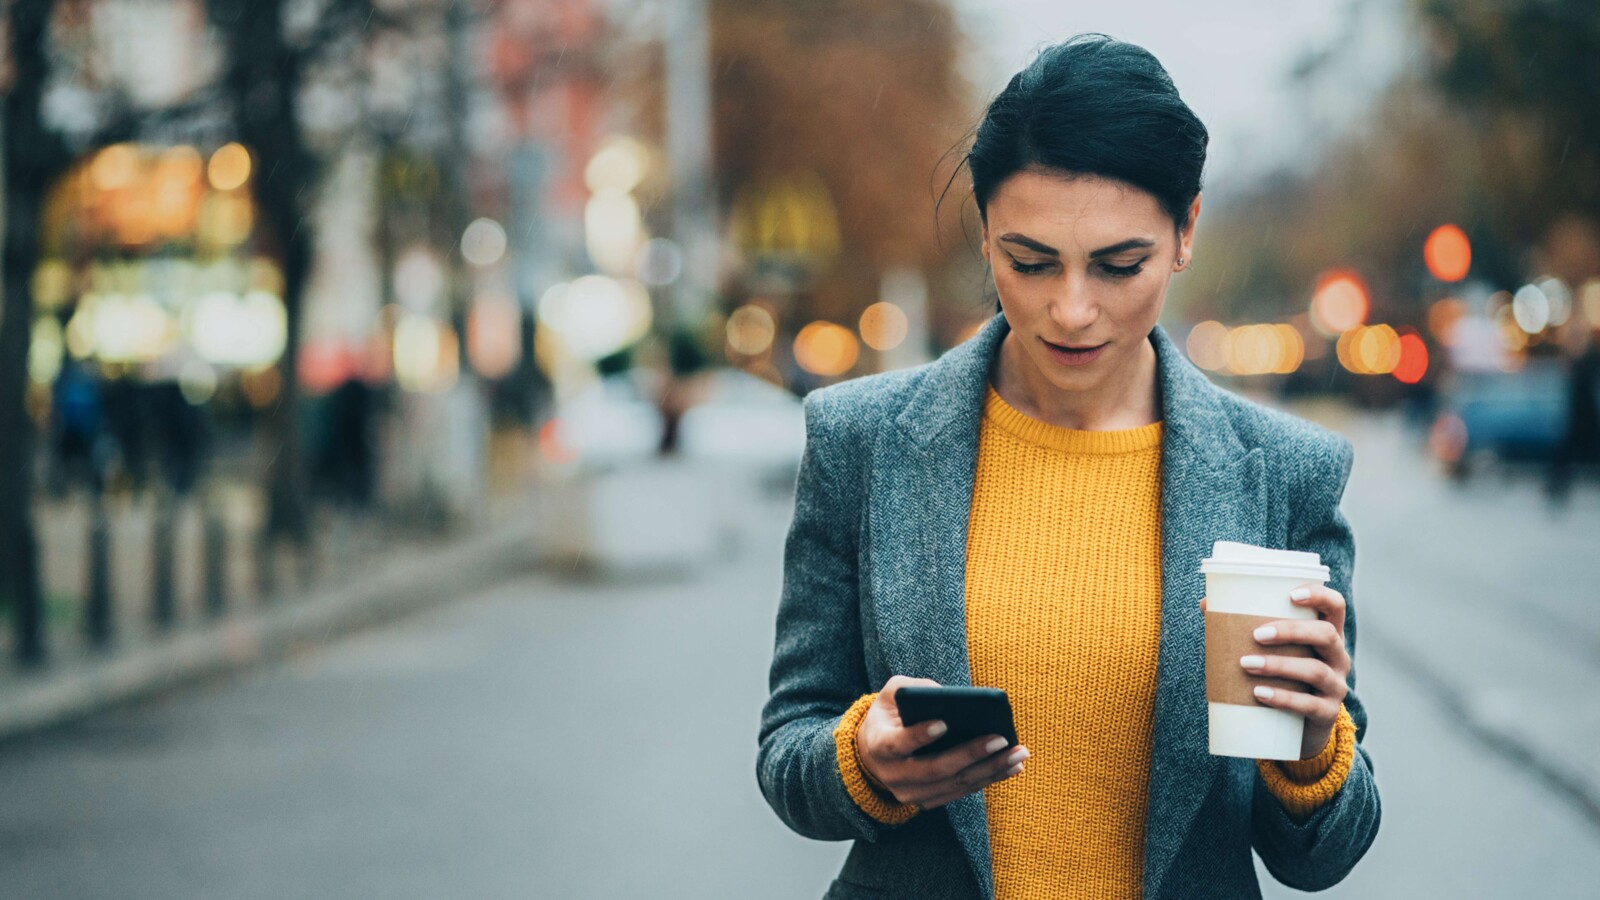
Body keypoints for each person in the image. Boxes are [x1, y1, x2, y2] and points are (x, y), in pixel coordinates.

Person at [757, 35, 1380, 900]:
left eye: (1119, 265)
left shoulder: (1286, 472)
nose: (1072, 309)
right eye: (1031, 261)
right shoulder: (859, 441)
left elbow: (1324, 855)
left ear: (1185, 231)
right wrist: (863, 759)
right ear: (984, 234)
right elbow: (789, 750)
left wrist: (1313, 754)